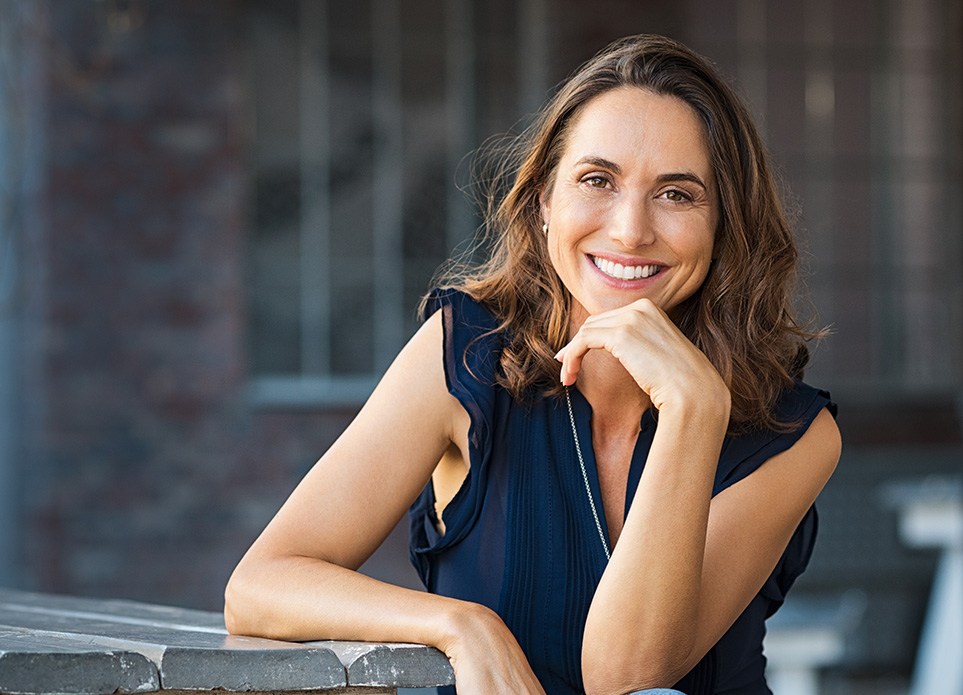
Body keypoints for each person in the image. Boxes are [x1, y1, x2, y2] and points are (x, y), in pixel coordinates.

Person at [224, 34, 841, 695]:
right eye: (596, 180)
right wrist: (460, 624)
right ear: (544, 201)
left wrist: (695, 409)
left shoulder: (794, 433)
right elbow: (262, 584)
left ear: (723, 225)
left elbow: (622, 674)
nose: (630, 229)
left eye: (677, 194)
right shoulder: (462, 352)